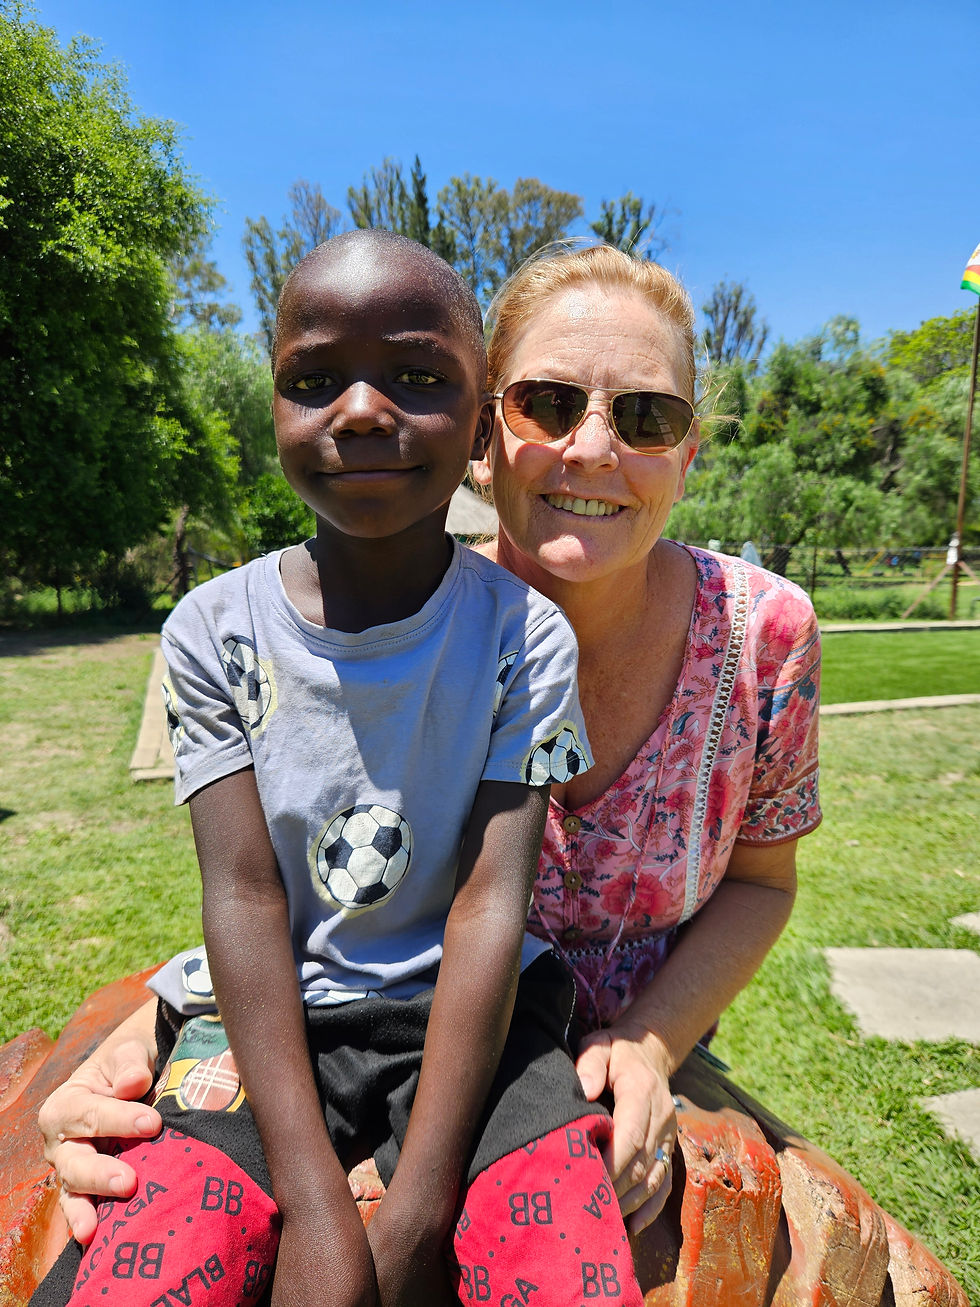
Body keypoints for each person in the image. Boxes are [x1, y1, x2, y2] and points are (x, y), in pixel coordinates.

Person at [39, 244, 821, 1263]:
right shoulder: (404, 623)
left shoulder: (762, 634)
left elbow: (761, 881)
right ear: (487, 433)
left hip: (601, 1063)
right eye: (547, 402)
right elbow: (297, 873)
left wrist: (647, 1041)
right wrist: (159, 1017)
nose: (592, 447)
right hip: (362, 1032)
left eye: (644, 416)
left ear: (688, 451)